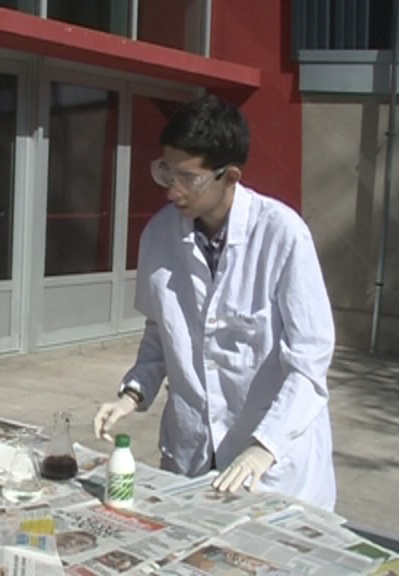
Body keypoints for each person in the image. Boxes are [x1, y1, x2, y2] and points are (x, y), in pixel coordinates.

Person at [92, 94, 336, 510]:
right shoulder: (159, 234)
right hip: (192, 453)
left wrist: (265, 445)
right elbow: (161, 333)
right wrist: (131, 395)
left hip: (273, 463)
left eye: (188, 178)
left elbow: (309, 364)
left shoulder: (282, 235)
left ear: (230, 176)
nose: (173, 190)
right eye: (166, 171)